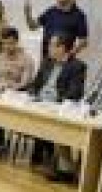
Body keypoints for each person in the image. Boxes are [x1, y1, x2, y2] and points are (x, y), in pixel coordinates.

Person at [25, 33, 87, 173]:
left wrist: (54, 102)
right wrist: (32, 93)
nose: (48, 48)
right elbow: (35, 84)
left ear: (62, 48)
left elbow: (75, 92)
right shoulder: (47, 62)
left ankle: (61, 166)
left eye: (51, 45)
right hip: (38, 104)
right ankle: (43, 158)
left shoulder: (77, 66)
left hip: (57, 108)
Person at [24, 0, 88, 58]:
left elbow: (83, 42)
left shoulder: (79, 15)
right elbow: (32, 27)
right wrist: (27, 13)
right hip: (46, 59)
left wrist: (69, 55)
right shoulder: (51, 11)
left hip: (64, 60)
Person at [0, 27, 35, 93]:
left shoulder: (27, 60)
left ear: (17, 42)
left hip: (17, 94)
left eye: (10, 43)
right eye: (4, 43)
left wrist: (8, 87)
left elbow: (25, 83)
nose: (6, 47)